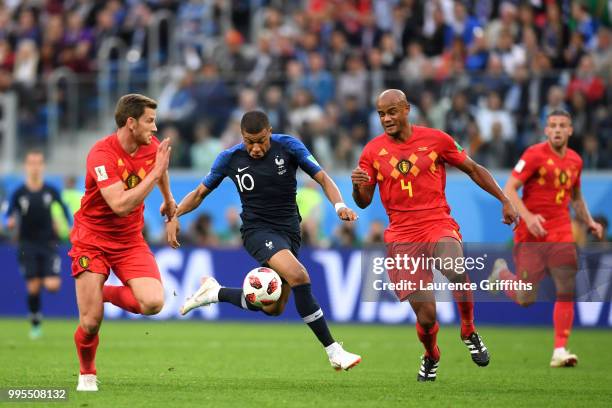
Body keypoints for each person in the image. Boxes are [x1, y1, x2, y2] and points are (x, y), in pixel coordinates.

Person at [166, 110, 362, 371]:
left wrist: (339, 206)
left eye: (260, 140)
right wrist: (174, 214)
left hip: (290, 231)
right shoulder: (230, 158)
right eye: (249, 141)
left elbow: (323, 178)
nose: (255, 148)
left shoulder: (289, 146)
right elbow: (200, 193)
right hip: (257, 231)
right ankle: (334, 351)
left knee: (274, 308)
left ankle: (216, 292)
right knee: (299, 276)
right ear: (242, 137)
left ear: (270, 131)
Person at [351, 89, 518, 382]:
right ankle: (431, 355)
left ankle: (468, 328)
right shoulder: (372, 151)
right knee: (427, 319)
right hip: (402, 234)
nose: (386, 119)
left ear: (406, 109)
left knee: (454, 267)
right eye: (381, 114)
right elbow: (363, 201)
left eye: (391, 112)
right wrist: (357, 186)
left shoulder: (436, 140)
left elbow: (473, 169)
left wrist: (504, 199)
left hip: (436, 221)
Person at [68, 94, 176, 392]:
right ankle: (87, 372)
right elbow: (119, 204)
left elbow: (161, 167)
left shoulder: (150, 147)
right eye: (150, 121)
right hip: (92, 240)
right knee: (90, 323)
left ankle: (100, 292)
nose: (155, 129)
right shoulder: (101, 155)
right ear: (131, 123)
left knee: (154, 302)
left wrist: (168, 201)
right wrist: (155, 173)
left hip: (129, 240)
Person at [489, 109, 603, 368]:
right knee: (526, 299)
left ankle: (560, 349)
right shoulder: (534, 154)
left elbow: (575, 196)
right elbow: (509, 188)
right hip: (531, 234)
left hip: (560, 230)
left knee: (566, 285)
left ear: (571, 130)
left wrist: (589, 222)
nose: (558, 130)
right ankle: (502, 275)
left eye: (563, 125)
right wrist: (527, 217)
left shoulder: (575, 160)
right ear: (546, 130)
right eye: (553, 125)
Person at [5, 150, 72, 339]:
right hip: (27, 244)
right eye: (31, 163)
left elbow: (64, 208)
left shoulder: (50, 190)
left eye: (38, 163)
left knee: (52, 285)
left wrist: (69, 225)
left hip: (49, 243)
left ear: (43, 166)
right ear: (26, 166)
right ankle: (35, 323)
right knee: (33, 288)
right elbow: (8, 213)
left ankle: (41, 275)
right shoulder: (19, 193)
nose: (35, 166)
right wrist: (9, 222)